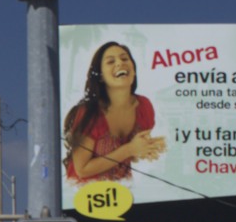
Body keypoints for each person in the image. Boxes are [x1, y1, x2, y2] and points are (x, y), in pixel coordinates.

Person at [63, 41, 166, 184]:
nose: (119, 63)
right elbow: (82, 169)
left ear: (134, 70)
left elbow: (134, 153)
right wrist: (130, 149)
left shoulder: (144, 107)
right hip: (84, 196)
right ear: (100, 76)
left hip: (123, 192)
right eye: (110, 61)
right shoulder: (89, 113)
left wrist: (149, 148)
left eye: (124, 59)